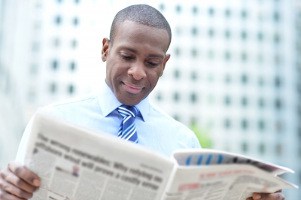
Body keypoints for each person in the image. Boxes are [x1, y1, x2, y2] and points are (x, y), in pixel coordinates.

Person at [0, 4, 285, 200]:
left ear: (165, 64)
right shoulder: (53, 122)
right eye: (126, 56)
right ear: (105, 49)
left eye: (152, 62)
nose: (138, 72)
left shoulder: (183, 141)